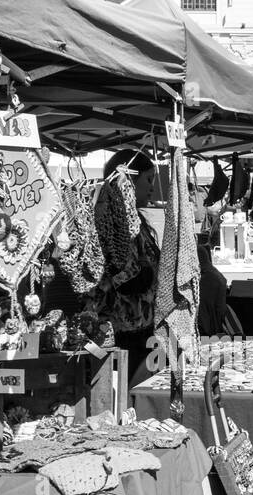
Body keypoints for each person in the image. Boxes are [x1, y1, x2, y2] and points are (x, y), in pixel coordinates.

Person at [88, 149, 161, 384]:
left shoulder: (135, 221)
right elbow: (126, 279)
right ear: (128, 179)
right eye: (148, 179)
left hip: (140, 330)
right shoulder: (110, 219)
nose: (152, 187)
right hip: (119, 334)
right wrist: (151, 273)